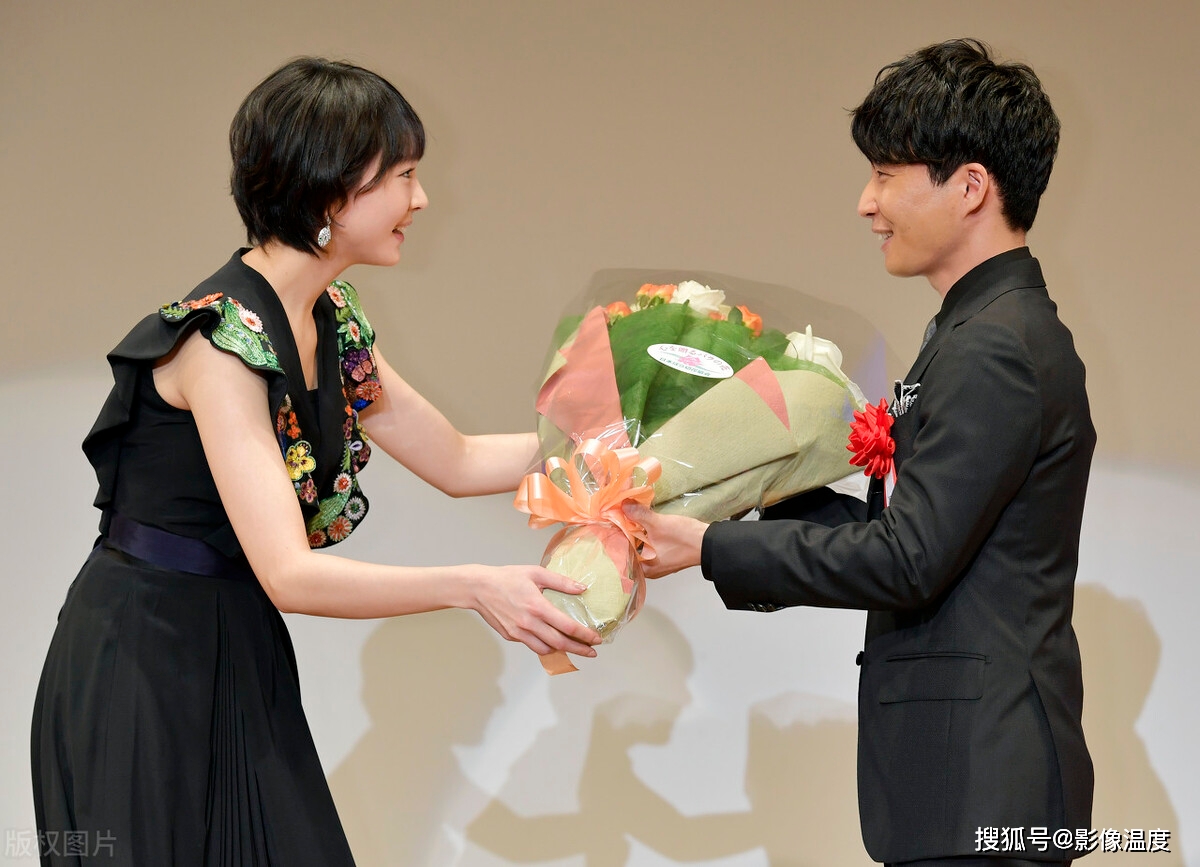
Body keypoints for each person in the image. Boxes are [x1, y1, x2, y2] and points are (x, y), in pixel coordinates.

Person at [30, 57, 600, 866]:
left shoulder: (330, 317)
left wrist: (614, 443)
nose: (420, 199)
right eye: (404, 175)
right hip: (140, 661)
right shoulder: (221, 341)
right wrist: (475, 585)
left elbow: (459, 458)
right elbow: (290, 575)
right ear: (332, 190)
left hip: (236, 641)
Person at [633, 39, 1095, 866]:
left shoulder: (995, 345)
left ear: (971, 187)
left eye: (885, 174)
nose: (865, 203)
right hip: (965, 782)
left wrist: (708, 546)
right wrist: (750, 477)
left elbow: (907, 561)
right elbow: (918, 541)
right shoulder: (976, 329)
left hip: (984, 785)